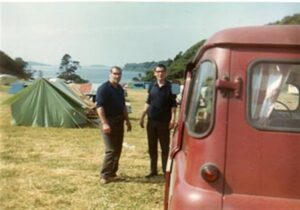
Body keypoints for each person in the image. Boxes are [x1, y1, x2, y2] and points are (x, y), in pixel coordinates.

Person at [139, 64, 177, 178]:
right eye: (158, 72)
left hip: (164, 122)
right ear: (154, 73)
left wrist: (173, 118)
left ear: (166, 73)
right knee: (152, 147)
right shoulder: (151, 86)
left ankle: (166, 172)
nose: (160, 74)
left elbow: (173, 105)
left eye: (162, 72)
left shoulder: (172, 87)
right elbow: (148, 101)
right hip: (151, 121)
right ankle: (153, 170)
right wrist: (142, 116)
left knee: (165, 148)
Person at [96, 66, 132, 184]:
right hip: (108, 122)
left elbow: (123, 106)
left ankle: (113, 173)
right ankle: (104, 175)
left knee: (118, 149)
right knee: (111, 150)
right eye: (115, 74)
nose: (117, 76)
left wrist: (127, 120)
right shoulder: (103, 89)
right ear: (110, 74)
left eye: (119, 74)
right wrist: (105, 123)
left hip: (119, 122)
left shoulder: (120, 89)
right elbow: (99, 107)